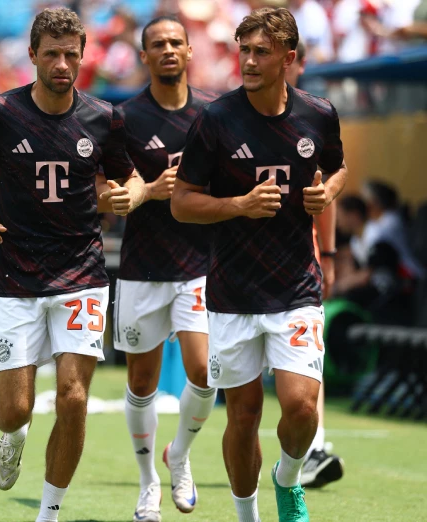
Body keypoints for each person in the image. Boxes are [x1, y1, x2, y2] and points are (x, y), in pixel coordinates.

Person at [0, 8, 140, 522]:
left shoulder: (104, 117)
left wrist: (130, 197)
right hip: (16, 277)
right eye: (51, 53)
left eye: (70, 54)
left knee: (74, 398)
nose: (61, 63)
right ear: (32, 55)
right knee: (15, 409)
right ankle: (14, 435)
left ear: (83, 56)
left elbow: (130, 179)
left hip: (83, 275)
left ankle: (48, 513)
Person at [171, 7, 348, 522]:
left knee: (299, 407)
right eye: (243, 50)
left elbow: (337, 169)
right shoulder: (215, 119)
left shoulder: (319, 114)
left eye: (261, 52)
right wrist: (237, 205)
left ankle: (287, 478)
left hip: (295, 287)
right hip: (232, 293)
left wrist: (326, 193)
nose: (248, 61)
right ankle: (247, 516)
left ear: (288, 59)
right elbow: (183, 201)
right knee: (244, 416)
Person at [112, 16, 216, 521]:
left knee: (204, 373)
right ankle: (148, 481)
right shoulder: (124, 118)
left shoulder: (216, 114)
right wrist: (150, 191)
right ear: (144, 56)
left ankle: (180, 456)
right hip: (141, 268)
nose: (169, 49)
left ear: (191, 51)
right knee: (140, 384)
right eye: (158, 44)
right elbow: (109, 195)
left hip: (200, 265)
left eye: (177, 42)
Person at [286, 40, 346, 490]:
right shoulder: (226, 115)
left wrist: (327, 254)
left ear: (299, 63)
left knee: (309, 357)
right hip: (236, 263)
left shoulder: (316, 117)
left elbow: (327, 193)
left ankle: (313, 450)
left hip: (298, 265)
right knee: (214, 380)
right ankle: (182, 450)